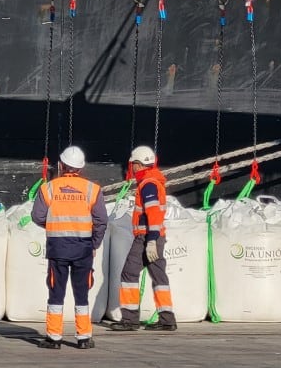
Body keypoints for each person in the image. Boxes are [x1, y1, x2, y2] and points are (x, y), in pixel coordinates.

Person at [30, 145, 107, 350]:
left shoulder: (48, 188)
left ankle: (54, 338)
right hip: (83, 249)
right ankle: (84, 338)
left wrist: (54, 224)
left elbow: (37, 216)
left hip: (58, 248)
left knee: (56, 293)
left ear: (61, 165)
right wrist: (94, 244)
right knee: (82, 293)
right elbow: (101, 221)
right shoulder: (93, 190)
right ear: (80, 168)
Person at [109, 145, 177, 332]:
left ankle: (129, 319)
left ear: (138, 165)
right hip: (156, 235)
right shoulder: (155, 181)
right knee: (159, 276)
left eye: (133, 165)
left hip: (146, 237)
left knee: (129, 273)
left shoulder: (147, 184)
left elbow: (152, 212)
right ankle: (167, 319)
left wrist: (151, 240)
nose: (132, 168)